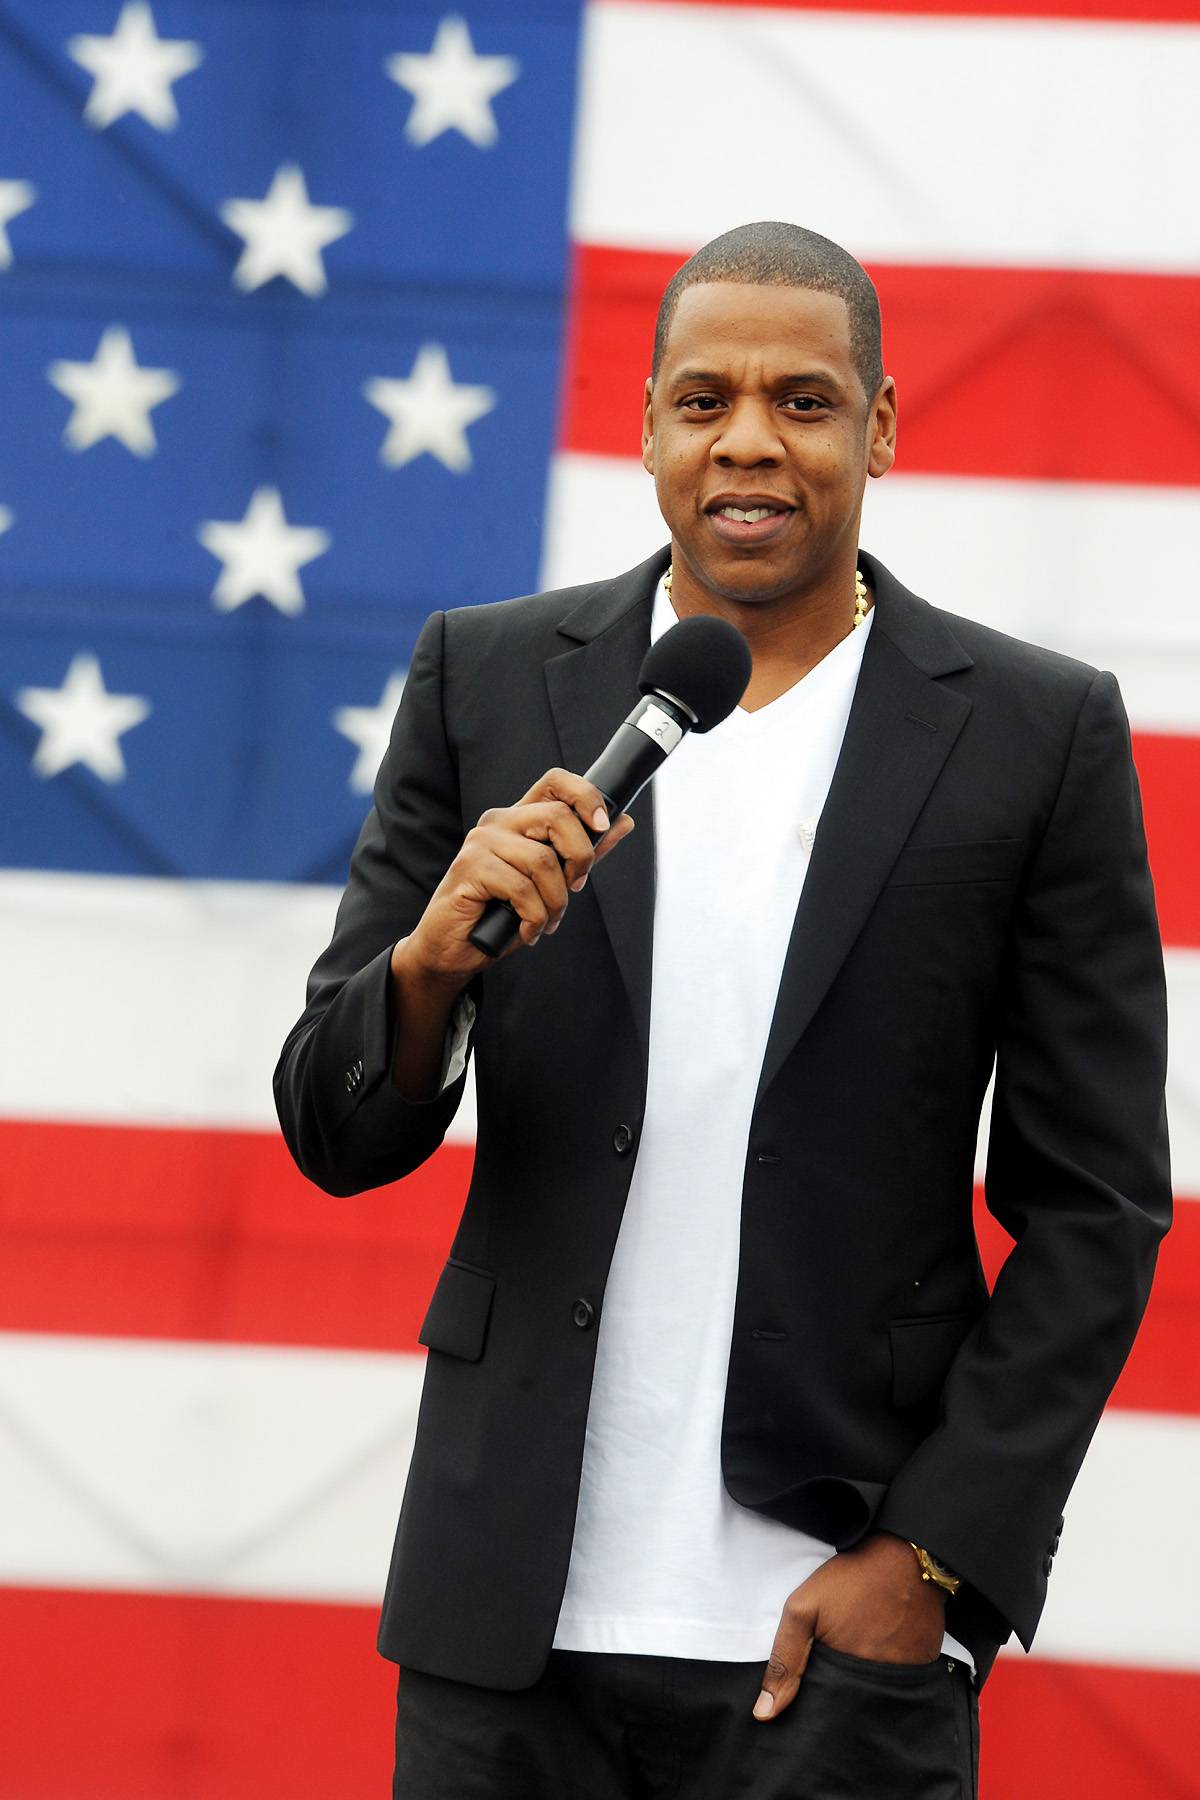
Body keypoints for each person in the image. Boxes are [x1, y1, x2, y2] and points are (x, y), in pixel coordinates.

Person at [274, 222, 1171, 1799]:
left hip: (830, 1646)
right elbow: (337, 1133)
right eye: (704, 400)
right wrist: (426, 968)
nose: (748, 440)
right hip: (508, 1633)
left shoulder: (1036, 734)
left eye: (805, 402)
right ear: (646, 426)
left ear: (882, 425)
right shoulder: (486, 681)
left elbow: (1096, 1205)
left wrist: (937, 1559)